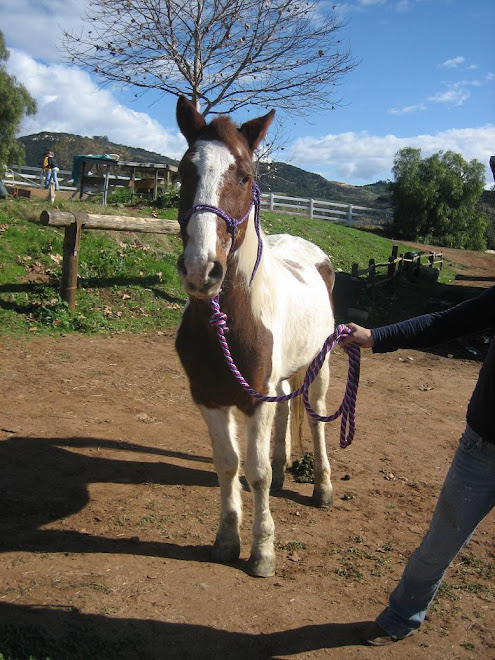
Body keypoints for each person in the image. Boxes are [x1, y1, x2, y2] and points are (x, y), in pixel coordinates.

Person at [338, 285, 495, 646]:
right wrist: (375, 336)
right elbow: (445, 323)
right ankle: (401, 616)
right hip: (484, 447)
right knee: (439, 544)